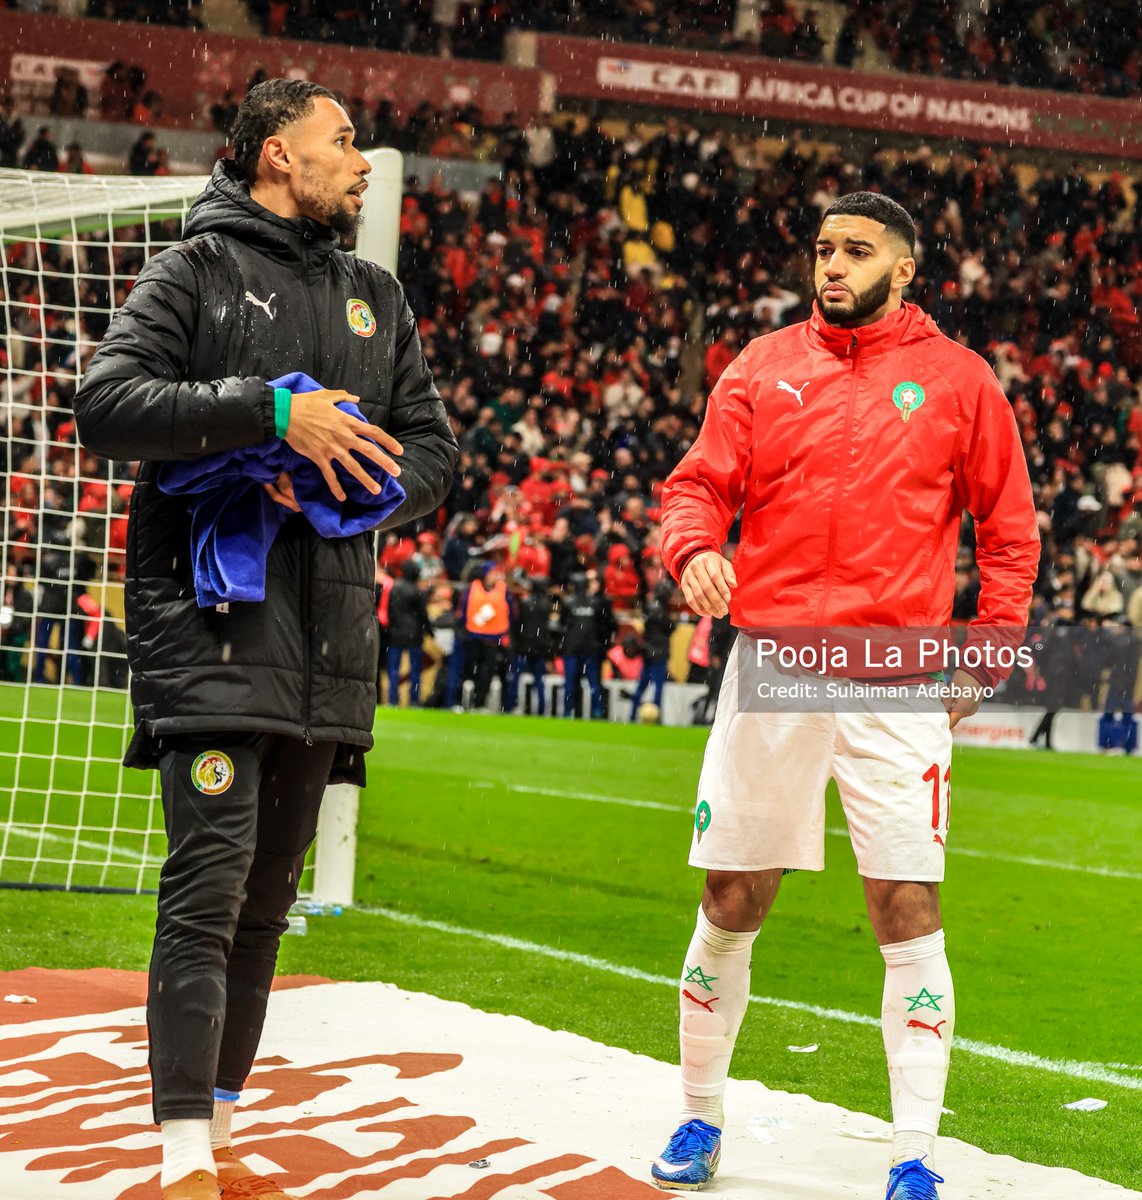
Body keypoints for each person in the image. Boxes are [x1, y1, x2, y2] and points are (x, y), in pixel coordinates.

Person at [73, 79, 457, 1200]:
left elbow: (432, 453)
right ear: (276, 154)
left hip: (331, 636)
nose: (364, 161)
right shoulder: (193, 271)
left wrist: (346, 487)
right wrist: (271, 416)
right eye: (344, 142)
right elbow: (104, 403)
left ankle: (222, 1128)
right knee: (209, 881)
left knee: (268, 895)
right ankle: (180, 1152)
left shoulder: (376, 297)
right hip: (212, 627)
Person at [652, 192, 1039, 1199]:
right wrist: (691, 547)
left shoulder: (959, 383)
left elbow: (1006, 529)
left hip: (894, 670)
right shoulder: (762, 365)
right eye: (821, 247)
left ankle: (912, 1151)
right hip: (773, 661)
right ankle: (697, 1121)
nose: (831, 264)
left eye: (855, 250)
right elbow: (695, 483)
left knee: (903, 905)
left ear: (903, 269)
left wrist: (987, 648)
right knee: (732, 896)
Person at [386, 559, 430, 705]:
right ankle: (414, 699)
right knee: (415, 669)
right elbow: (423, 615)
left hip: (396, 632)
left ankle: (393, 699)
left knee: (394, 668)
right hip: (414, 633)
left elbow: (390, 611)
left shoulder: (395, 588)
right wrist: (429, 631)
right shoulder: (417, 592)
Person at [629, 580, 675, 720]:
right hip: (659, 651)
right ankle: (656, 715)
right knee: (658, 685)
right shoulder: (661, 610)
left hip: (648, 649)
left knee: (642, 684)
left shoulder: (650, 608)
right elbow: (670, 628)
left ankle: (632, 714)